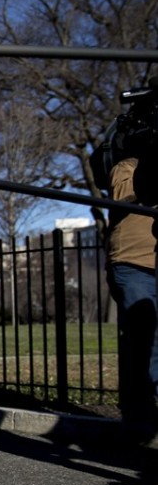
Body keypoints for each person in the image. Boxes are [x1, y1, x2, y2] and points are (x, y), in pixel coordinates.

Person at [106, 156, 158, 430]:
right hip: (133, 264)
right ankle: (139, 414)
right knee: (144, 337)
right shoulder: (128, 165)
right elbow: (122, 194)